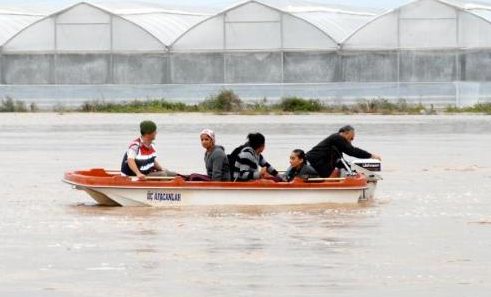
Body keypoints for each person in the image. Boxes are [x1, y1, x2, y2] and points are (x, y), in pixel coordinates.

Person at [306, 125, 381, 178]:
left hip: (313, 162)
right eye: (351, 138)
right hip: (312, 162)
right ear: (346, 133)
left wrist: (353, 171)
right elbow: (352, 151)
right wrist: (371, 155)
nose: (352, 140)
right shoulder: (337, 138)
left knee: (341, 170)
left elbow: (340, 161)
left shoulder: (336, 141)